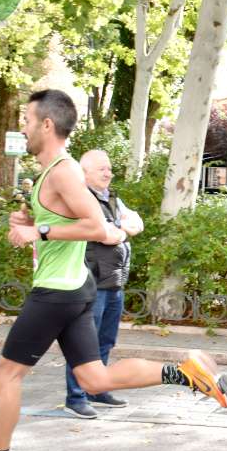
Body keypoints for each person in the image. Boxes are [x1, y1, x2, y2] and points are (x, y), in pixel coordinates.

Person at [0, 90, 227, 451]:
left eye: (27, 119)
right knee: (93, 377)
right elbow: (60, 220)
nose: (22, 127)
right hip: (76, 285)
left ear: (47, 125)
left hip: (57, 291)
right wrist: (28, 219)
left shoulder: (62, 170)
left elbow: (97, 226)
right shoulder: (50, 173)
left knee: (6, 375)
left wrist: (38, 231)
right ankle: (184, 373)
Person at [62, 149, 145, 419]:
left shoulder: (111, 198)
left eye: (109, 168)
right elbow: (103, 234)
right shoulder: (79, 199)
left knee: (105, 341)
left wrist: (121, 229)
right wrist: (120, 230)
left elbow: (137, 223)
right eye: (102, 169)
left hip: (113, 282)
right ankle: (75, 397)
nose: (108, 173)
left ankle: (97, 389)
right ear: (84, 173)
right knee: (83, 343)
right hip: (90, 283)